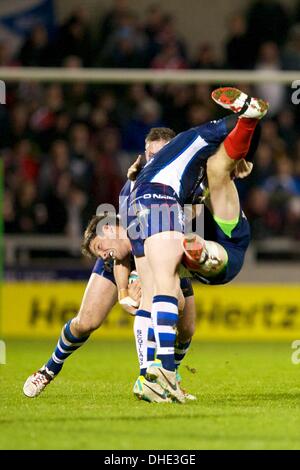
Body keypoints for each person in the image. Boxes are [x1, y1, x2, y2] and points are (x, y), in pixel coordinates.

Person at [87, 87, 268, 403]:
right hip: (179, 221)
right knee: (166, 287)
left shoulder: (196, 150)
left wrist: (246, 135)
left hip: (227, 238)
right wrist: (128, 285)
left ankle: (162, 371)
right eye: (151, 153)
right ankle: (157, 375)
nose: (155, 156)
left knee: (218, 169)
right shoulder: (153, 178)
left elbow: (236, 134)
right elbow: (129, 242)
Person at [23, 129, 196, 403]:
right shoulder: (135, 189)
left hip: (164, 252)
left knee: (186, 325)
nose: (156, 159)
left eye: (162, 153)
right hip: (137, 259)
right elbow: (119, 256)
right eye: (152, 154)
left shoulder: (186, 180)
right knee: (86, 321)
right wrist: (125, 293)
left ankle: (170, 378)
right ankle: (49, 369)